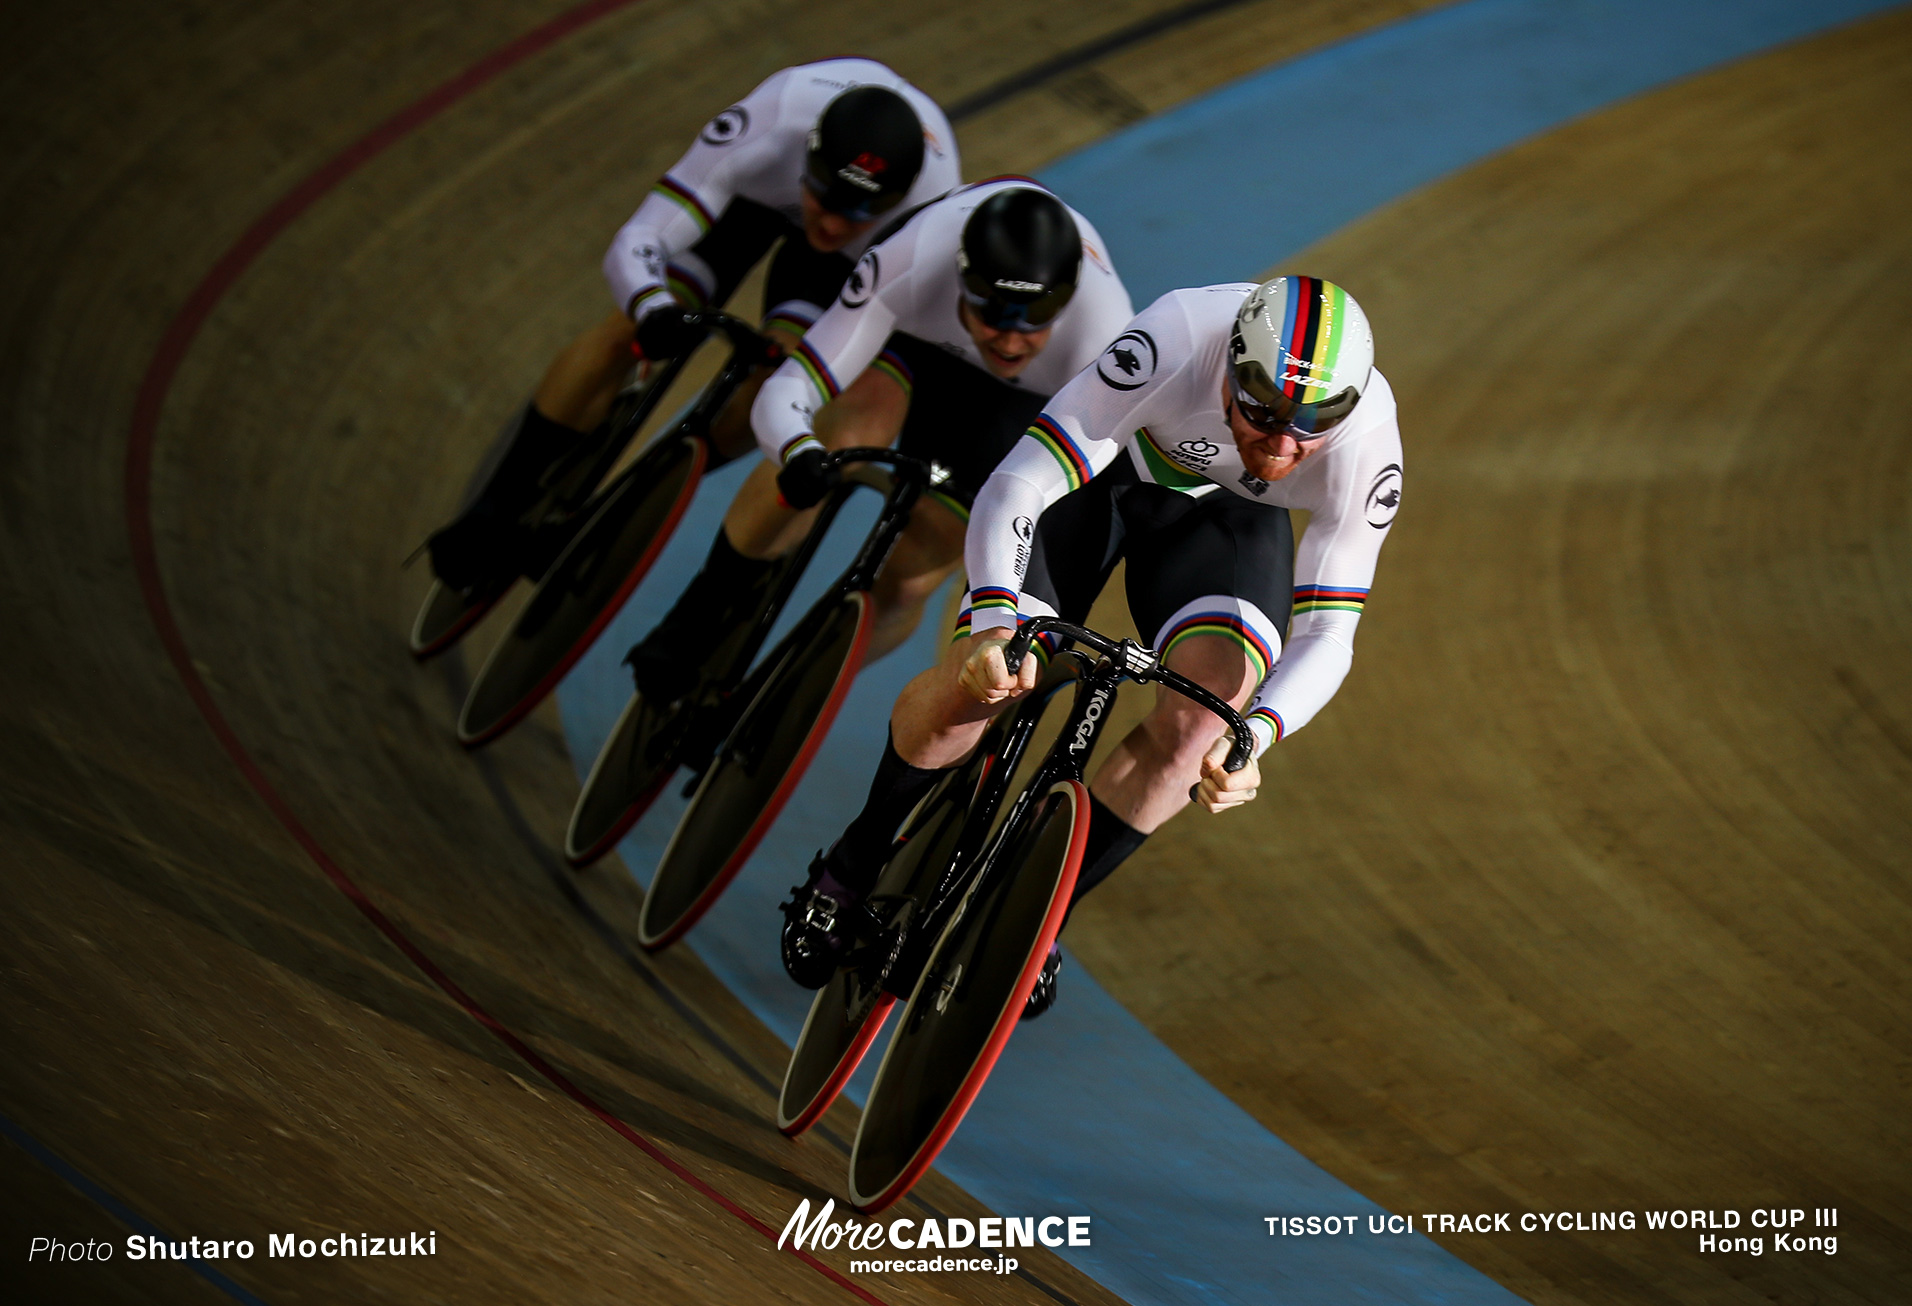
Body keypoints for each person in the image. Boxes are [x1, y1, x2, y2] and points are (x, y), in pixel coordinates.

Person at [783, 276, 1403, 1018]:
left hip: (1222, 530)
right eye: (1262, 413)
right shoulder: (1176, 336)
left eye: (1309, 429)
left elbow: (1332, 632)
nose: (1280, 446)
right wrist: (993, 622)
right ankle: (852, 864)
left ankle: (1032, 916)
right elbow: (1020, 481)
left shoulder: (1368, 438)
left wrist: (1257, 735)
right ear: (1232, 366)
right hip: (1098, 484)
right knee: (985, 682)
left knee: (1205, 728)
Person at [427, 59, 958, 591]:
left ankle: (646, 491)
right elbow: (639, 240)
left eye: (858, 212)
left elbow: (852, 336)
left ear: (895, 201)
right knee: (624, 335)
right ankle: (495, 504)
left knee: (776, 375)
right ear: (808, 158)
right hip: (755, 201)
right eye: (826, 198)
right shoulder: (772, 126)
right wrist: (651, 306)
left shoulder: (928, 214)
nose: (834, 222)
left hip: (840, 266)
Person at [623, 177, 1136, 703]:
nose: (1008, 339)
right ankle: (695, 618)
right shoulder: (910, 261)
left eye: (1034, 321)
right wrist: (799, 453)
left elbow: (1068, 498)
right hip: (913, 344)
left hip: (1014, 403)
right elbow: (793, 386)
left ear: (1067, 299)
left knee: (917, 571)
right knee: (846, 432)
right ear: (961, 280)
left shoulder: (1105, 334)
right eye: (992, 315)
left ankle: (788, 704)